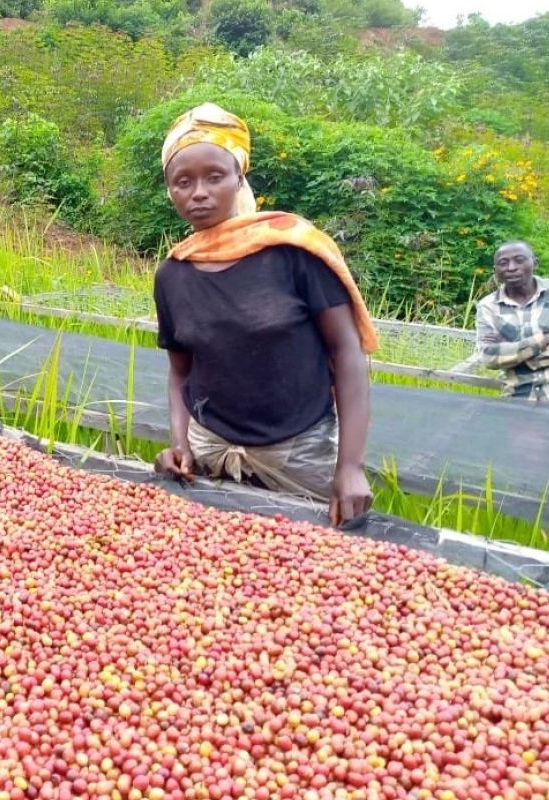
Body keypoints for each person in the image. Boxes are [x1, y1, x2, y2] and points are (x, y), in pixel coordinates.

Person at [151, 103, 379, 527]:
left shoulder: (294, 251)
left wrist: (350, 466)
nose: (198, 192)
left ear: (239, 177)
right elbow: (180, 372)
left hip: (298, 452)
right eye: (183, 181)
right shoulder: (173, 273)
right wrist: (179, 442)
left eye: (214, 176)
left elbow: (348, 353)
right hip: (209, 448)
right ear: (170, 190)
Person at [474, 240, 549, 406]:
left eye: (519, 260)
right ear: (496, 270)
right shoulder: (488, 306)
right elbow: (489, 357)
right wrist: (544, 340)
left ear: (535, 263)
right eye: (503, 263)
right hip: (518, 399)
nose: (511, 267)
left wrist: (517, 354)